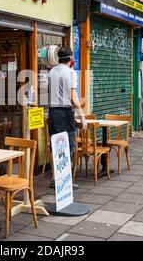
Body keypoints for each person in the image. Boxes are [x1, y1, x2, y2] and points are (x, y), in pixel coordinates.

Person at [47, 46, 87, 187]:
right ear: (71, 59)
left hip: (52, 113)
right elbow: (73, 97)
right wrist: (82, 116)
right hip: (64, 113)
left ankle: (54, 179)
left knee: (54, 146)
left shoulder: (51, 72)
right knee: (68, 145)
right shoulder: (70, 72)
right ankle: (65, 181)